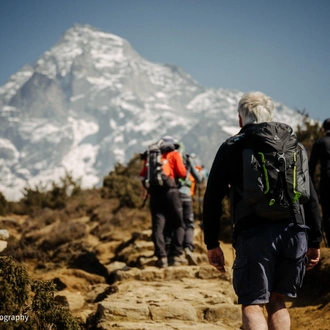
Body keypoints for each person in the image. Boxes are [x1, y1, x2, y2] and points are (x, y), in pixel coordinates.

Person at [203, 91, 322, 330]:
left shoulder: (232, 146)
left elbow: (213, 197)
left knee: (252, 303)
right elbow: (310, 196)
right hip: (294, 232)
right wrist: (315, 240)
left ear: (240, 118)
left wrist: (211, 242)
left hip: (254, 234)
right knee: (278, 302)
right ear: (270, 115)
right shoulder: (294, 146)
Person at [140, 136, 187, 268]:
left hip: (155, 194)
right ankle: (175, 255)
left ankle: (162, 257)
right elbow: (182, 173)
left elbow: (143, 174)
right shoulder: (173, 154)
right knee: (178, 223)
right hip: (171, 192)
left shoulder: (151, 156)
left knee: (158, 226)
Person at [309, 118, 330, 247]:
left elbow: (311, 166)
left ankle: (329, 242)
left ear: (323, 129)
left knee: (327, 211)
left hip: (327, 179)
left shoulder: (320, 142)